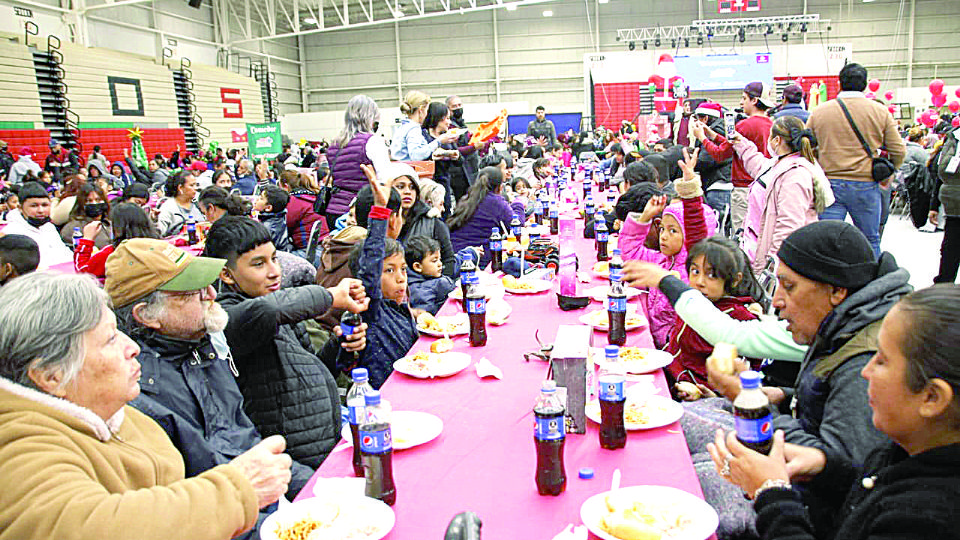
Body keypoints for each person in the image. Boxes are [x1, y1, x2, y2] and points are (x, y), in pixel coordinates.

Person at [625, 220, 912, 538]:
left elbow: (838, 476)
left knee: (688, 476)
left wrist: (752, 404)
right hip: (786, 458)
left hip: (803, 510)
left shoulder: (861, 363)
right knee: (676, 438)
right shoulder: (845, 320)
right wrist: (781, 394)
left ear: (836, 291)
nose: (775, 301)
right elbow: (823, 405)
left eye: (789, 287)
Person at [0, 271, 292, 540]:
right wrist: (237, 490)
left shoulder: (117, 411)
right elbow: (87, 527)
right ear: (52, 375)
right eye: (110, 339)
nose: (133, 348)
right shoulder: (17, 444)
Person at [707, 284, 960, 540]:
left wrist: (771, 493)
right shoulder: (902, 450)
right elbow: (864, 488)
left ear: (932, 397)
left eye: (882, 360)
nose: (866, 371)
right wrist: (824, 465)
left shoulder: (930, 518)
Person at [102, 240, 304, 539]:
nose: (211, 295)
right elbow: (190, 511)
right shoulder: (135, 395)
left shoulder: (200, 347)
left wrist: (319, 486)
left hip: (269, 499)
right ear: (148, 315)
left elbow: (245, 443)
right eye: (192, 292)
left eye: (206, 285)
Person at [203, 217, 368, 468]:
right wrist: (330, 296)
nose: (274, 272)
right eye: (259, 264)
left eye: (275, 258)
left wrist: (340, 343)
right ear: (226, 274)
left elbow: (311, 366)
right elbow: (264, 312)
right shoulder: (228, 317)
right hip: (290, 458)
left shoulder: (280, 305)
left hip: (322, 442)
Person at [618, 149, 718, 347]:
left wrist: (690, 187)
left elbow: (696, 226)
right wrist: (645, 218)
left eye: (673, 231)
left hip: (674, 348)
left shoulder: (696, 272)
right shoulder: (662, 260)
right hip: (654, 339)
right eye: (662, 229)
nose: (663, 236)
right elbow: (629, 255)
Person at [807, 63, 906, 257]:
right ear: (865, 85)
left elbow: (807, 146)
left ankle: (829, 284)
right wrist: (890, 171)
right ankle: (873, 284)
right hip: (866, 184)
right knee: (870, 239)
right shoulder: (879, 111)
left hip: (829, 185)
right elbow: (898, 149)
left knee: (827, 242)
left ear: (839, 84)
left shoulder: (819, 112)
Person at [730, 116, 832, 272]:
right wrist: (740, 143)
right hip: (760, 245)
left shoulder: (795, 175)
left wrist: (773, 264)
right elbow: (759, 165)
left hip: (774, 258)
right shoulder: (779, 164)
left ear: (777, 140)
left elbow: (788, 225)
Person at [348, 165, 419, 388]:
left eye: (404, 270)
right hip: (384, 394)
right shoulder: (372, 308)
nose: (401, 278)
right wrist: (380, 212)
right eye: (389, 270)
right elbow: (371, 265)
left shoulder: (398, 308)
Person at [665, 236, 763, 395]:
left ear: (735, 280)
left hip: (703, 394)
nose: (699, 282)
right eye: (695, 271)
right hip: (672, 375)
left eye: (711, 275)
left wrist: (713, 395)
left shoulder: (739, 318)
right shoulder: (691, 301)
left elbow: (749, 373)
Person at [697, 81, 775, 235]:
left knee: (743, 235)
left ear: (754, 100)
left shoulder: (744, 125)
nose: (741, 102)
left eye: (744, 98)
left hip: (744, 189)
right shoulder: (772, 124)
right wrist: (712, 135)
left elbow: (720, 154)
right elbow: (734, 145)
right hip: (767, 187)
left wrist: (702, 138)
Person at [326, 95, 392, 227]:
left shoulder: (334, 144)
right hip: (361, 211)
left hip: (334, 209)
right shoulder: (373, 141)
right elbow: (385, 179)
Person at [388, 162, 457, 279]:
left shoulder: (432, 221)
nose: (407, 192)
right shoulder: (379, 223)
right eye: (400, 187)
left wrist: (440, 286)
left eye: (412, 187)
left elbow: (449, 260)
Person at [448, 166, 515, 270]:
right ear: (500, 186)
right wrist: (519, 203)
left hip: (455, 257)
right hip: (479, 260)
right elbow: (516, 225)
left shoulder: (466, 198)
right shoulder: (496, 202)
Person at [423, 101, 479, 217]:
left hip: (445, 182)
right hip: (428, 182)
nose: (449, 122)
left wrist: (455, 155)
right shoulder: (423, 136)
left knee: (445, 213)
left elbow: (460, 161)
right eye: (446, 119)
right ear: (437, 118)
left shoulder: (448, 137)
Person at [74, 202, 159, 279]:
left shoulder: (112, 254)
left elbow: (83, 274)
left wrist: (87, 240)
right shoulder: (158, 247)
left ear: (117, 228)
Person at [1, 182, 72, 268]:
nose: (41, 210)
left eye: (45, 205)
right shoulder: (11, 233)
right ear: (20, 208)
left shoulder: (49, 227)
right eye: (34, 206)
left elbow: (66, 255)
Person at [691, 102, 733, 222]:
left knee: (718, 229)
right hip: (723, 184)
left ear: (705, 118)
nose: (694, 123)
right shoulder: (723, 130)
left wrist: (692, 160)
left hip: (718, 186)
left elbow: (706, 160)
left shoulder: (713, 133)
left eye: (697, 118)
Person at [390, 91, 458, 162]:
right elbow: (416, 155)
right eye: (426, 110)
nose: (427, 114)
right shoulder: (413, 129)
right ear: (421, 110)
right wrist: (439, 141)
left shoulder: (403, 127)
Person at [278, 170, 327, 258]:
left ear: (285, 187)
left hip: (308, 251)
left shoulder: (293, 202)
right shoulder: (314, 196)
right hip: (324, 246)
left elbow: (283, 226)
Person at [405, 236, 456, 316]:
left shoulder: (431, 277)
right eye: (434, 261)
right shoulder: (420, 291)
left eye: (440, 259)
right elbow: (426, 317)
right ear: (418, 267)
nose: (440, 264)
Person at [445, 94, 480, 200]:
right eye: (454, 106)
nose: (458, 108)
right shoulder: (449, 127)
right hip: (458, 173)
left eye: (459, 105)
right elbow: (453, 150)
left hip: (470, 168)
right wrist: (474, 147)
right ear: (448, 110)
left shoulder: (461, 124)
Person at [60, 183, 113, 249]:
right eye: (89, 200)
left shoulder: (110, 223)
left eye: (98, 199)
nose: (94, 203)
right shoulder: (72, 228)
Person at [156, 171, 204, 237]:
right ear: (180, 188)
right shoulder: (168, 207)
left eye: (196, 185)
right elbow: (159, 233)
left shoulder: (197, 204)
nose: (195, 188)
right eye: (192, 185)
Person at [254, 184, 292, 252]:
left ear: (268, 208)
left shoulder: (267, 228)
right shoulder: (279, 215)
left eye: (261, 198)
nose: (257, 199)